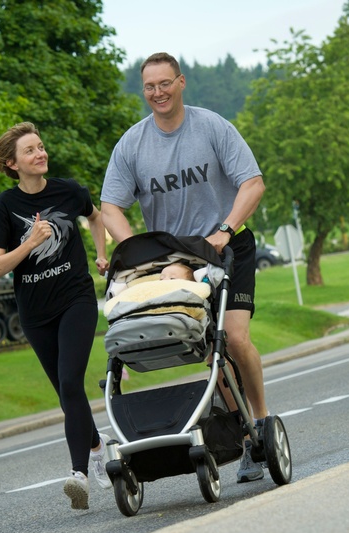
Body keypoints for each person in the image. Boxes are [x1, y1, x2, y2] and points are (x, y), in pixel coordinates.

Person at [100, 52, 269, 483]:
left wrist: (226, 229)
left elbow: (253, 183)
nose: (157, 93)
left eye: (165, 84)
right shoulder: (132, 144)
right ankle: (242, 432)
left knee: (233, 337)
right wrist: (134, 247)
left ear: (181, 82)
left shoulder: (211, 126)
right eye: (149, 87)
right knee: (210, 347)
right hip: (176, 259)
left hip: (228, 245)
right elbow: (109, 207)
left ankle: (263, 424)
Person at [0, 122, 111, 511]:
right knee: (65, 391)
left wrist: (101, 254)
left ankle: (79, 476)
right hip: (36, 313)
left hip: (76, 300)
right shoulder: (2, 208)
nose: (41, 154)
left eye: (41, 147)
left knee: (71, 381)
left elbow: (97, 216)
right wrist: (31, 243)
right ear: (12, 163)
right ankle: (98, 447)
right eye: (30, 151)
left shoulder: (68, 190)